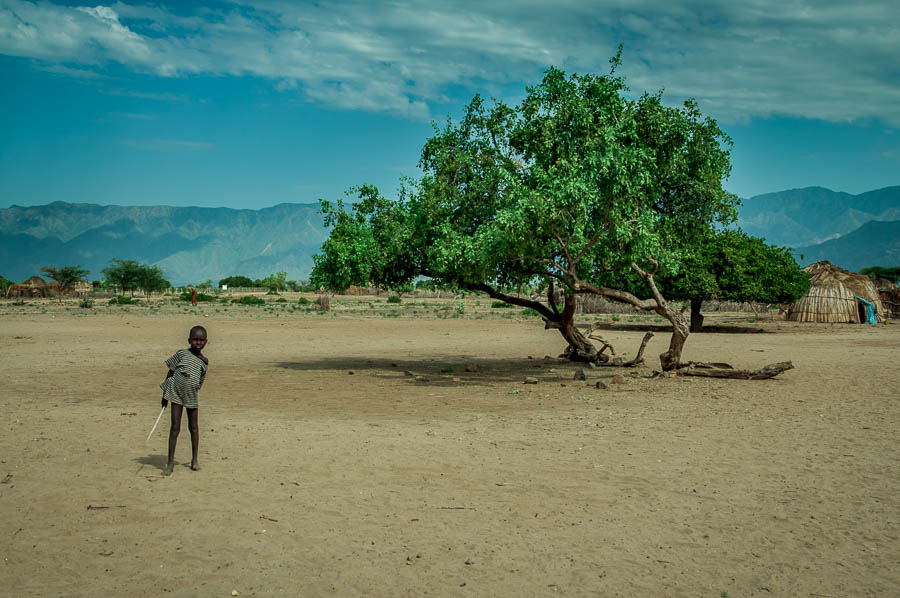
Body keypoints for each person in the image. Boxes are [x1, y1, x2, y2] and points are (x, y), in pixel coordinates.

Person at [159, 325, 208, 476]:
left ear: (206, 341)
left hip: (191, 396)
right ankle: (170, 463)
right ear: (189, 340)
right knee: (175, 428)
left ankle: (194, 460)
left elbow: (200, 381)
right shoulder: (181, 353)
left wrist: (193, 385)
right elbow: (171, 371)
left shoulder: (204, 361)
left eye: (201, 340)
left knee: (194, 427)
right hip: (175, 394)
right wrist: (165, 395)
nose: (197, 342)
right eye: (195, 339)